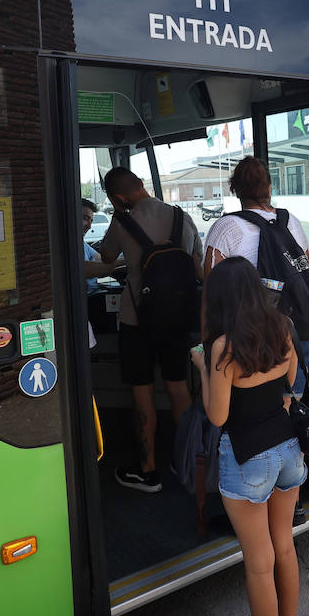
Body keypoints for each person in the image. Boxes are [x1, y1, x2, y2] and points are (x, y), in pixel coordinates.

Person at [190, 256, 305, 616]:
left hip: (248, 460)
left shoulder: (223, 348)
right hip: (289, 452)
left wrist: (202, 368)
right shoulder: (281, 327)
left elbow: (217, 415)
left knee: (259, 564)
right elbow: (292, 386)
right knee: (285, 547)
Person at [98, 167, 204, 493]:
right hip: (178, 319)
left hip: (137, 322)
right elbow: (197, 266)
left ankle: (147, 471)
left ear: (118, 197)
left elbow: (105, 257)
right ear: (141, 185)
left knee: (142, 395)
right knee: (179, 389)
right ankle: (187, 463)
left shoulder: (121, 221)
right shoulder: (181, 217)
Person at [204, 156, 309, 395]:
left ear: (236, 190)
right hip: (307, 332)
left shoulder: (225, 228)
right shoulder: (292, 222)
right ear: (269, 188)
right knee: (294, 402)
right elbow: (307, 269)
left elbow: (212, 293)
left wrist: (208, 346)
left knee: (262, 409)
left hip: (255, 341)